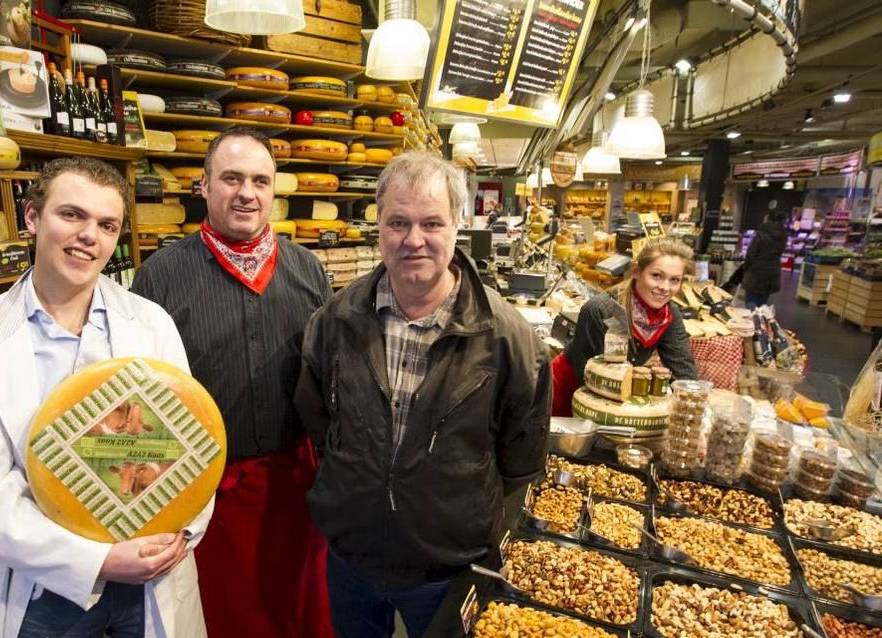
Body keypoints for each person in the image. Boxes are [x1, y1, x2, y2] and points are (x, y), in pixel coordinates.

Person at [0, 157, 211, 638]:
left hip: (150, 573)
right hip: (47, 588)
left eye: (107, 225)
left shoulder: (151, 323)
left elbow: (192, 448)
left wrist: (182, 533)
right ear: (32, 218)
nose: (89, 235)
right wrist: (98, 560)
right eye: (71, 215)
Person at [294, 151, 551, 638]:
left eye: (431, 223)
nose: (414, 240)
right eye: (398, 223)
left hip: (449, 569)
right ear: (379, 226)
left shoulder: (506, 337)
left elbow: (521, 461)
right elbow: (322, 426)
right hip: (353, 560)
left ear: (458, 224)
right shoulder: (334, 322)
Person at [131, 128, 334, 637]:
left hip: (297, 487)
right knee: (227, 620)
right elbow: (140, 399)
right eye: (232, 178)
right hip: (206, 495)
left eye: (260, 180)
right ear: (204, 186)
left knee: (300, 614)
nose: (247, 192)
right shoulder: (159, 276)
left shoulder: (307, 269)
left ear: (273, 190)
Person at [550, 237, 699, 416]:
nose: (665, 287)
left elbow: (684, 373)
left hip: (620, 396)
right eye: (656, 276)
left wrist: (691, 406)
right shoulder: (601, 310)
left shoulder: (670, 315)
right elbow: (589, 381)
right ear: (636, 271)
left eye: (674, 280)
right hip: (569, 392)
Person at [736, 209, 787, 309]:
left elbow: (751, 254)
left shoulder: (761, 234)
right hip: (773, 272)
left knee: (750, 300)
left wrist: (746, 268)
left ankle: (754, 319)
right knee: (763, 302)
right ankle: (760, 320)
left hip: (756, 272)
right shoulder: (783, 235)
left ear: (768, 219)